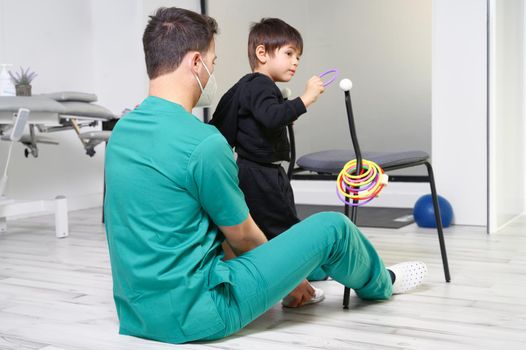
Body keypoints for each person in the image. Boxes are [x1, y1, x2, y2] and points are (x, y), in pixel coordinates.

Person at [104, 7, 428, 345]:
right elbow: (242, 236)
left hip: (137, 314)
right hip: (203, 312)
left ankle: (316, 270)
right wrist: (288, 282)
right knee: (333, 228)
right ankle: (382, 283)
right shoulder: (203, 143)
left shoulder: (122, 133)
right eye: (213, 64)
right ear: (196, 62)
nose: (213, 73)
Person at [210, 18, 329, 288]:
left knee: (268, 222)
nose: (295, 62)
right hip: (261, 173)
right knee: (283, 224)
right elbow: (270, 116)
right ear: (262, 53)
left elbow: (247, 120)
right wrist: (305, 99)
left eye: (298, 56)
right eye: (288, 53)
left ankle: (283, 266)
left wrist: (284, 113)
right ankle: (305, 269)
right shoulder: (261, 85)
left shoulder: (246, 86)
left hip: (254, 172)